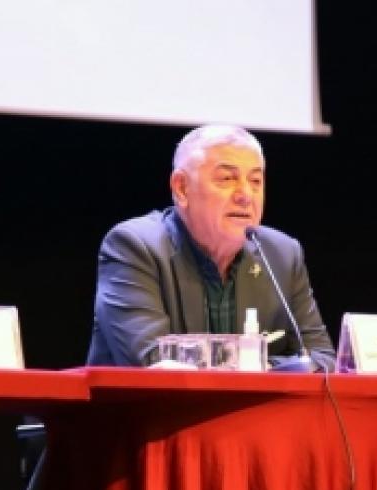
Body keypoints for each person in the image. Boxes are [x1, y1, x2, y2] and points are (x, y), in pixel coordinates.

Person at [86, 124, 335, 371]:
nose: (245, 195)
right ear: (182, 188)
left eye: (256, 181)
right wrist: (254, 365)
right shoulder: (135, 247)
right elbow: (153, 363)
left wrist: (260, 365)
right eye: (227, 179)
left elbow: (322, 358)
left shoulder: (282, 254)